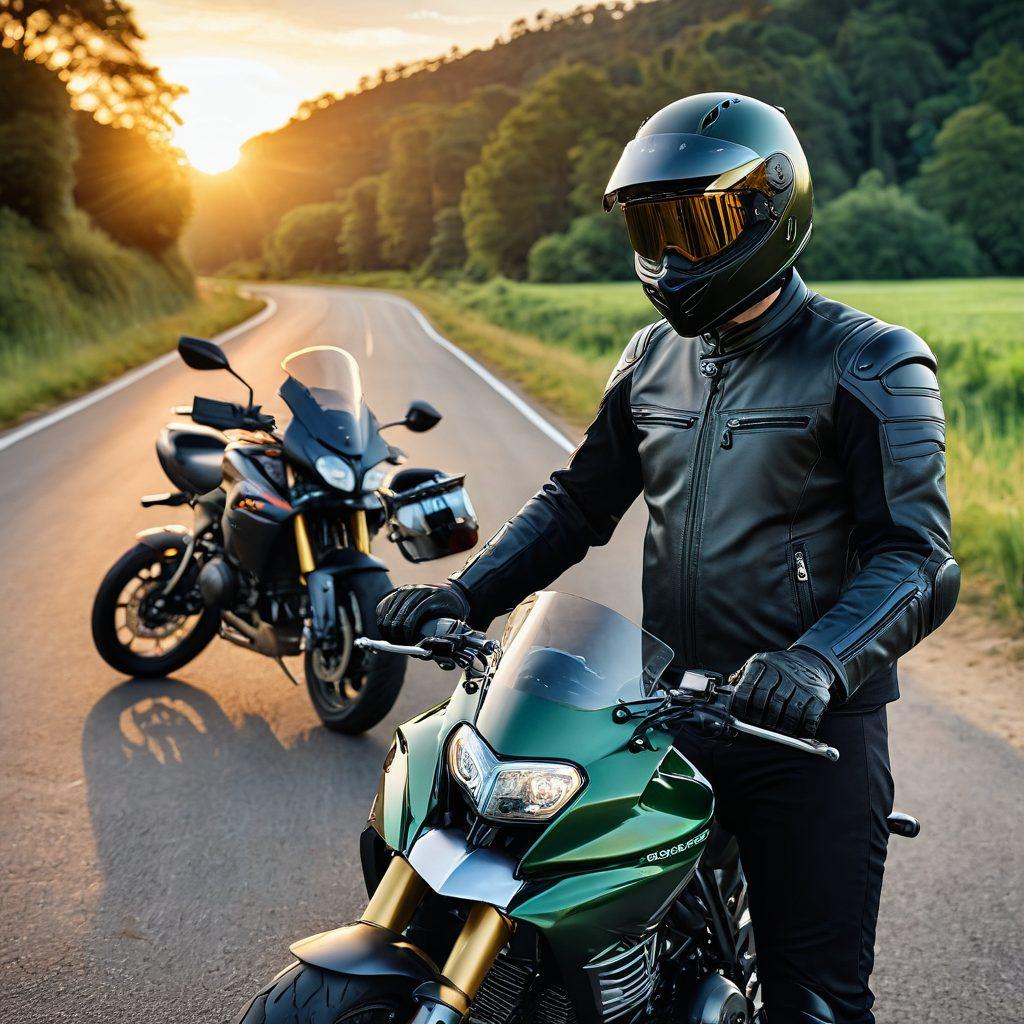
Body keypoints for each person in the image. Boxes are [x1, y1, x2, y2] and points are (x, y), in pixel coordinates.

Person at [376, 93, 959, 1024]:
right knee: (556, 933)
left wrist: (816, 662)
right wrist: (462, 592)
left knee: (818, 1007)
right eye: (656, 227)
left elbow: (918, 557)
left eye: (698, 224)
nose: (675, 257)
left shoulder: (871, 362)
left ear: (773, 213)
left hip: (806, 734)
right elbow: (576, 504)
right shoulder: (650, 357)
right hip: (659, 710)